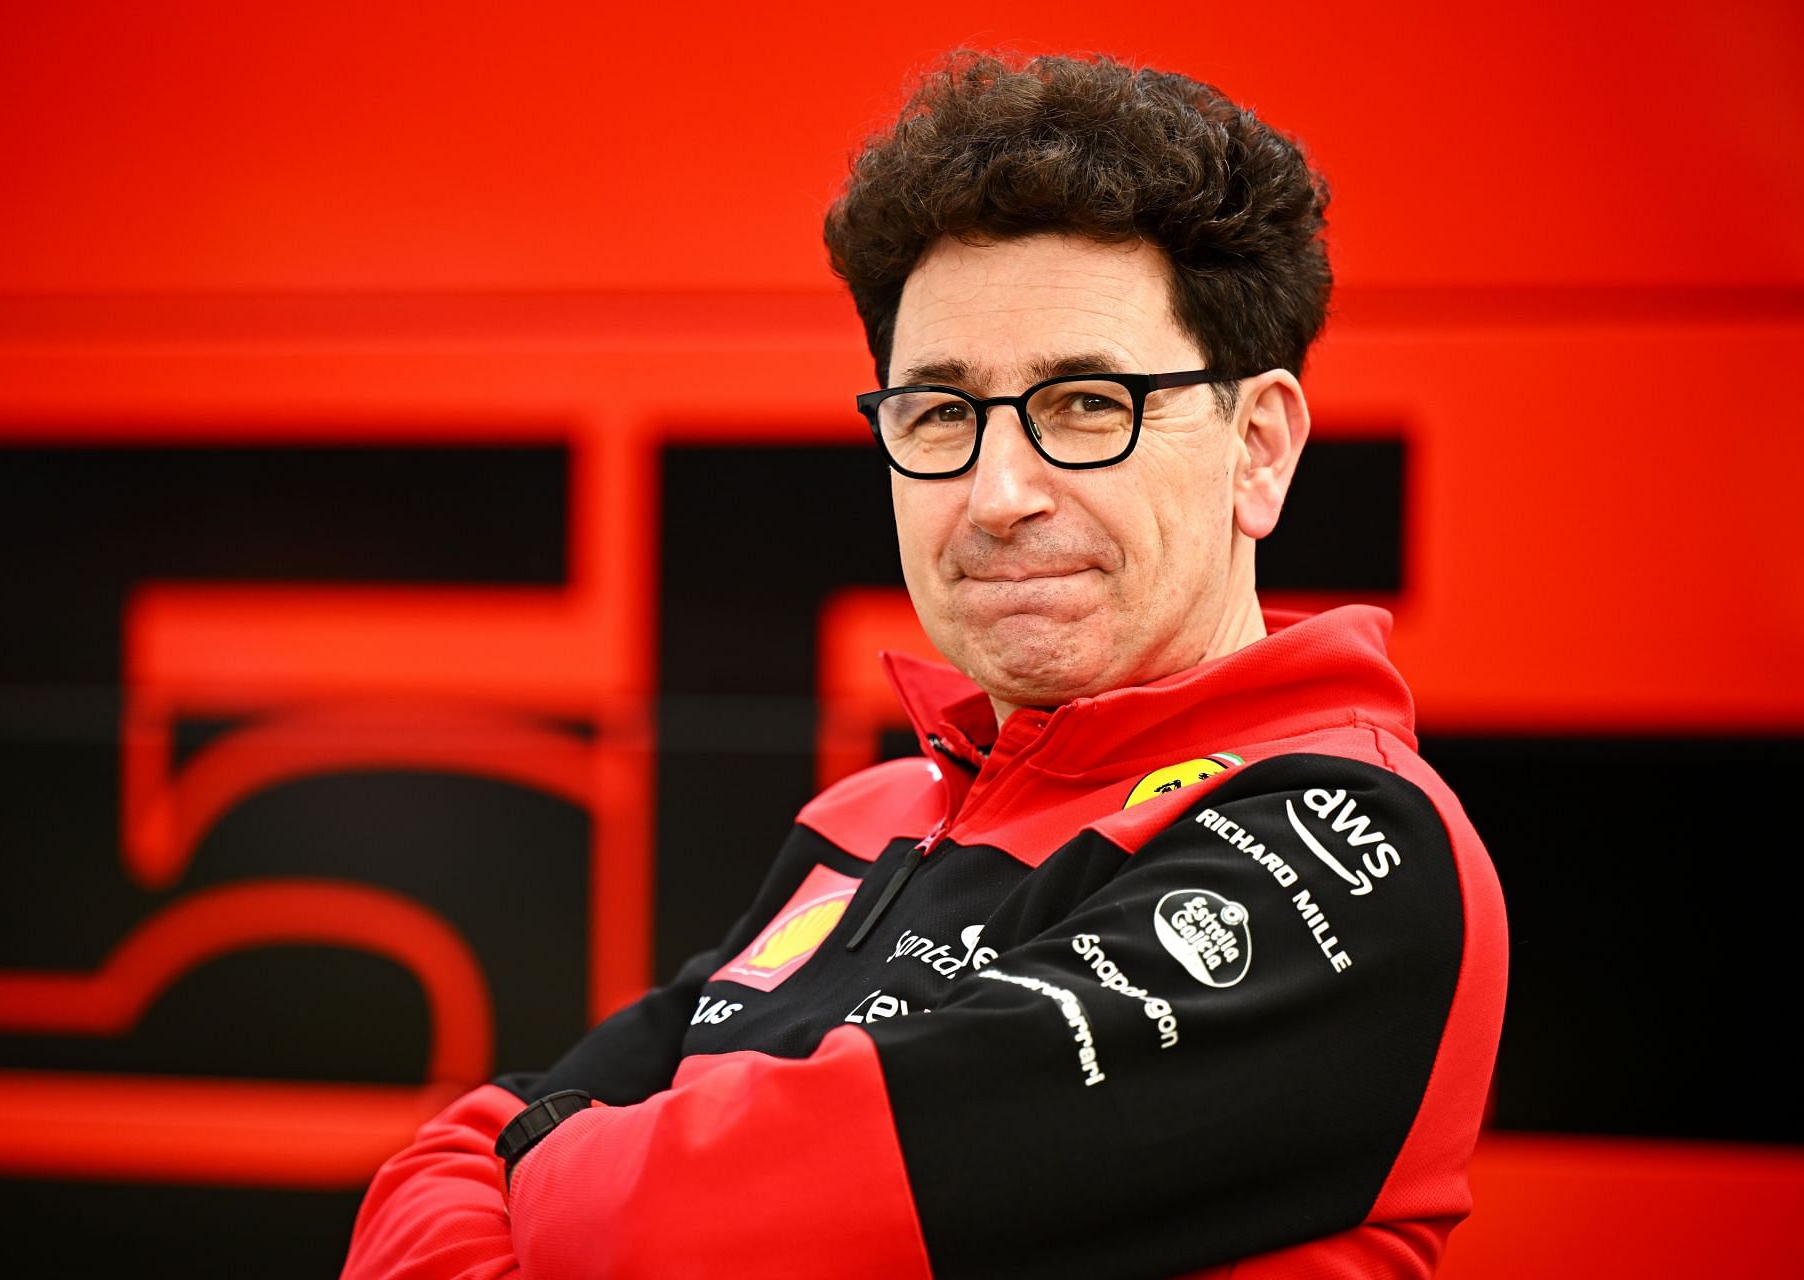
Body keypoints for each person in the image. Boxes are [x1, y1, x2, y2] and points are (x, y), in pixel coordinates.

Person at [342, 52, 1507, 1280]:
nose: (998, 495)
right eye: (940, 413)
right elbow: (439, 1162)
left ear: (1257, 448)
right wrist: (555, 1170)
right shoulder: (871, 815)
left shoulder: (1351, 841)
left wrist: (556, 1177)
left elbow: (683, 1235)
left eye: (1084, 402)